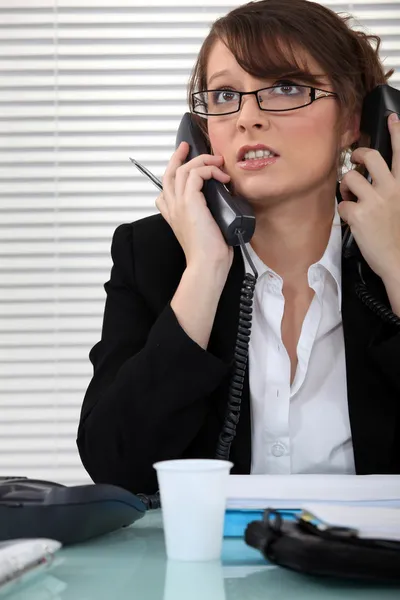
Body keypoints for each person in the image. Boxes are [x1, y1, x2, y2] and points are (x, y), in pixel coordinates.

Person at [77, 0, 400, 495]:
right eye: (225, 95)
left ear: (353, 119)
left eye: (287, 87)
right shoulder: (153, 254)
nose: (248, 117)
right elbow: (117, 465)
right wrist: (205, 269)